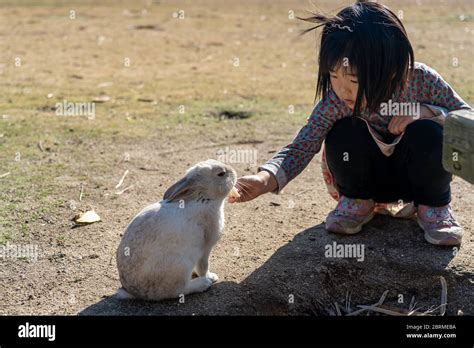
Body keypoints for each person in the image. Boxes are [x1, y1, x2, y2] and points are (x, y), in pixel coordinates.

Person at [228, 1, 472, 246]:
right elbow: (303, 144)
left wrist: (426, 111)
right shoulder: (336, 101)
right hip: (366, 181)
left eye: (354, 79)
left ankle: (434, 209)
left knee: (429, 132)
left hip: (416, 183)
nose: (342, 88)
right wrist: (264, 179)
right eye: (333, 76)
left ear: (391, 70)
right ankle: (356, 203)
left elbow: (465, 117)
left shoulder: (421, 80)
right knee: (344, 130)